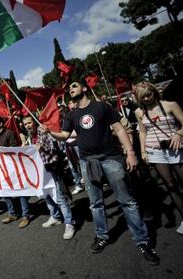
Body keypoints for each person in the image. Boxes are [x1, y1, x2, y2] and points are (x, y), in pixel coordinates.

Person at [44, 81, 159, 265]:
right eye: (69, 88)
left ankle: (143, 241)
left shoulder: (102, 107)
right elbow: (65, 136)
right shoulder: (72, 115)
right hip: (88, 163)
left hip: (111, 158)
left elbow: (120, 129)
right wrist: (50, 131)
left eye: (74, 86)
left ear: (84, 88)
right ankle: (101, 235)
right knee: (95, 203)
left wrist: (130, 152)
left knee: (127, 201)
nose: (71, 89)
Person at [134, 81, 183, 235]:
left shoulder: (170, 105)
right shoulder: (139, 112)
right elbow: (142, 132)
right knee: (170, 185)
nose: (147, 99)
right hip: (155, 152)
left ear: (154, 92)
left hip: (175, 148)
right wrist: (143, 152)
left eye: (148, 95)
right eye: (143, 97)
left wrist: (179, 133)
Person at [23, 115, 76, 240]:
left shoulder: (43, 131)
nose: (28, 126)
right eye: (25, 124)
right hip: (41, 171)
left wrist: (42, 148)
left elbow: (53, 148)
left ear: (34, 122)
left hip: (52, 168)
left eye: (29, 123)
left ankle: (69, 223)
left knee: (59, 196)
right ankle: (55, 216)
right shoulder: (31, 136)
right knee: (45, 194)